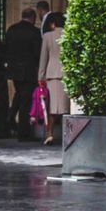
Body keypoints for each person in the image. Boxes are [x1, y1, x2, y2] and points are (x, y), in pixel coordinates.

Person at [5, 8, 42, 141]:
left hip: (14, 70)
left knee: (19, 95)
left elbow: (6, 49)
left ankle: (9, 118)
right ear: (32, 17)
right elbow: (38, 54)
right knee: (25, 101)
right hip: (28, 71)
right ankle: (23, 133)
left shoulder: (11, 29)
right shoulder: (35, 32)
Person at [38, 12, 70, 145]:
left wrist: (41, 76)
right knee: (67, 108)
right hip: (67, 74)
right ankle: (69, 136)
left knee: (52, 108)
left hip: (52, 75)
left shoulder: (47, 36)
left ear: (52, 24)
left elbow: (43, 58)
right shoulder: (69, 35)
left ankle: (49, 134)